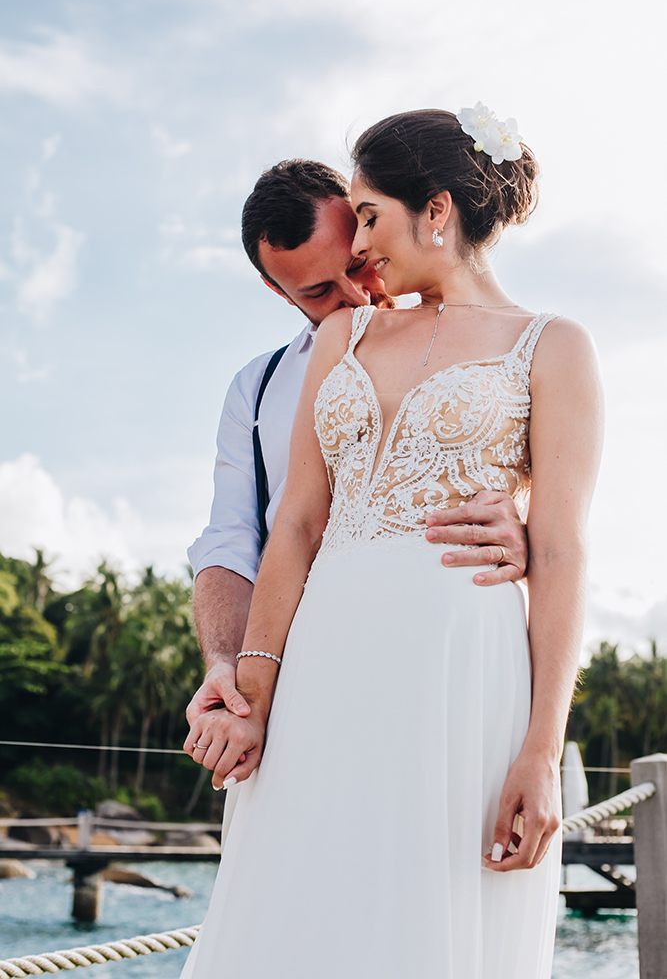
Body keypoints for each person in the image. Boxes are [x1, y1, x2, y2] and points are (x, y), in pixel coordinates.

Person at [181, 106, 603, 978]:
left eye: (368, 220)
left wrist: (539, 752)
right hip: (323, 661)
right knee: (291, 910)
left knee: (431, 912)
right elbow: (285, 526)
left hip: (459, 666)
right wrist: (248, 687)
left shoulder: (554, 346)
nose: (361, 257)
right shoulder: (336, 342)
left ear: (436, 209)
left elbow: (562, 551)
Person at [186, 159, 529, 734]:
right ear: (277, 289)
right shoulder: (257, 388)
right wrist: (228, 667)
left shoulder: (490, 348)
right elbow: (231, 539)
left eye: (358, 265)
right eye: (320, 291)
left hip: (445, 657)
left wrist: (524, 533)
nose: (357, 296)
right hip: (297, 671)